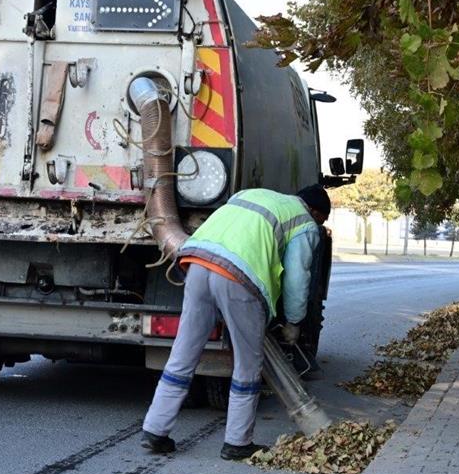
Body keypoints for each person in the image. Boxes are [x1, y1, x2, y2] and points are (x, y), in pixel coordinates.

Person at [141, 184, 331, 460]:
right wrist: (293, 322)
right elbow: (297, 279)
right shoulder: (304, 222)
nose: (318, 226)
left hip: (198, 262)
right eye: (320, 221)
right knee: (248, 364)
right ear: (314, 211)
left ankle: (155, 430)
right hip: (238, 279)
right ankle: (237, 443)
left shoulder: (253, 194)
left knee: (183, 353)